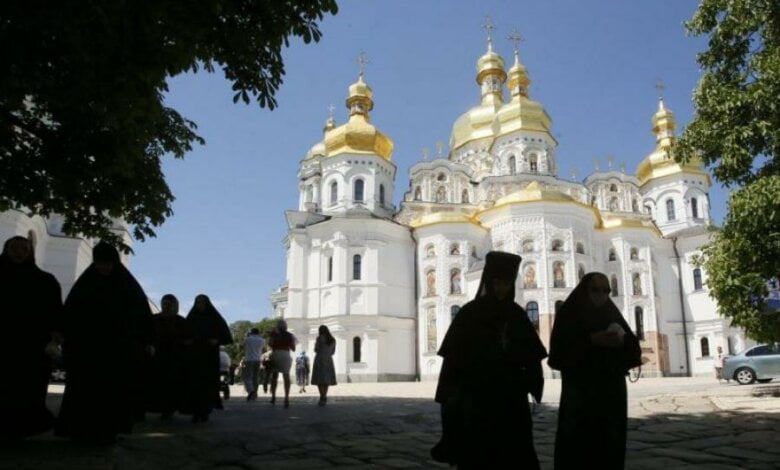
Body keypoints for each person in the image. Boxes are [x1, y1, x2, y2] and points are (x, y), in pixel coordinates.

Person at [432, 251, 547, 468]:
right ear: (488, 282)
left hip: (512, 399)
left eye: (507, 283)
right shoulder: (470, 313)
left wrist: (533, 382)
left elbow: (532, 355)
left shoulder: (517, 314)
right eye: (497, 283)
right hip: (478, 399)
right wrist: (449, 395)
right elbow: (452, 360)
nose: (502, 289)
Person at [56, 242, 154, 443]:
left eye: (109, 263)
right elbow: (71, 313)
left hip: (117, 350)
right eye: (101, 263)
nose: (105, 268)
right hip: (87, 349)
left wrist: (147, 341)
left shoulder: (127, 286)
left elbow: (143, 315)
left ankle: (109, 430)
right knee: (85, 390)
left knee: (112, 391)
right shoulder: (85, 285)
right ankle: (79, 429)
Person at [548, 272, 642, 470]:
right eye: (596, 290)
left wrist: (621, 341)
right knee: (579, 446)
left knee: (609, 445)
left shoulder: (611, 312)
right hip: (581, 394)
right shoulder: (569, 314)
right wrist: (590, 340)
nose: (602, 295)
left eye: (606, 290)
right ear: (585, 290)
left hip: (611, 393)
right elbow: (558, 352)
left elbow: (633, 348)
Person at [0, 236, 62, 440]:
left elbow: (55, 312)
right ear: (6, 250)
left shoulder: (45, 281)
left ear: (30, 252)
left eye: (24, 249)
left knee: (27, 388)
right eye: (14, 248)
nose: (19, 252)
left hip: (32, 345)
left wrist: (55, 336)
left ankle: (23, 428)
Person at [184, 294, 233, 422]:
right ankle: (195, 411)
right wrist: (187, 341)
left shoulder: (214, 318)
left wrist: (216, 340)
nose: (199, 305)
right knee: (194, 383)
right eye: (197, 302)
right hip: (194, 356)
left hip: (209, 356)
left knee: (207, 383)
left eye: (202, 302)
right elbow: (183, 333)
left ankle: (205, 410)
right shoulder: (192, 318)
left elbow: (225, 335)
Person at [148, 294, 193, 420]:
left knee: (171, 386)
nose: (167, 307)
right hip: (157, 357)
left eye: (170, 305)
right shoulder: (154, 320)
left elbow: (188, 339)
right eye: (165, 304)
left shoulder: (181, 322)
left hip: (174, 358)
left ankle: (168, 409)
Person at [268, 319, 296, 408]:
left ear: (277, 327)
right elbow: (293, 349)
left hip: (276, 354)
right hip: (285, 355)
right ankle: (286, 398)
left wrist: (273, 334)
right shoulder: (290, 335)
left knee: (274, 377)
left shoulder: (274, 335)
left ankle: (273, 397)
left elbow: (270, 344)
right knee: (286, 376)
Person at [311, 325, 337, 406]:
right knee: (326, 379)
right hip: (329, 360)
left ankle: (322, 396)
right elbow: (333, 352)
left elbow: (316, 349)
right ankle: (324, 395)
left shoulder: (320, 338)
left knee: (319, 378)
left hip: (319, 359)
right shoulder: (333, 339)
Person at [243, 328, 265, 401]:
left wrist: (247, 336)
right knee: (255, 378)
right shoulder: (262, 340)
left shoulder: (247, 339)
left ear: (251, 332)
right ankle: (255, 392)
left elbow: (244, 346)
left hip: (249, 359)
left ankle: (251, 391)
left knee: (247, 377)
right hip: (258, 359)